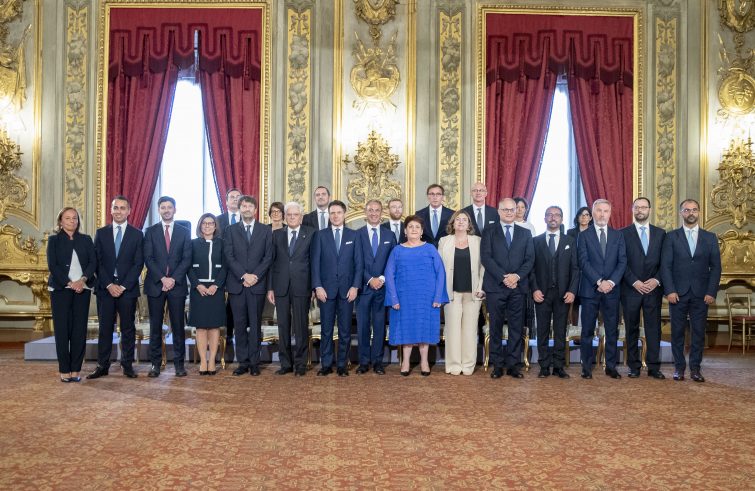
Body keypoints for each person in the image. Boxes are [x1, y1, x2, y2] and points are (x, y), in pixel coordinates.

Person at [661, 199, 721, 382]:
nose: (691, 213)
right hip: (677, 294)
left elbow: (716, 268)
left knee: (698, 333)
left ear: (699, 212)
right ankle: (679, 368)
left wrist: (711, 292)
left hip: (702, 294)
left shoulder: (710, 237)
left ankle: (695, 369)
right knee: (677, 333)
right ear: (681, 213)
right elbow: (665, 266)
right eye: (687, 210)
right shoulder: (671, 237)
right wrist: (670, 290)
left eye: (694, 210)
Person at [88, 196, 144, 380]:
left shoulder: (137, 234)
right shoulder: (101, 233)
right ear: (111, 210)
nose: (119, 211)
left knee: (128, 329)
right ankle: (102, 365)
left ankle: (127, 365)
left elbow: (138, 263)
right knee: (105, 329)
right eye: (116, 208)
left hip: (127, 290)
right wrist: (109, 284)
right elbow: (97, 262)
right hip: (105, 289)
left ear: (129, 211)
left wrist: (123, 286)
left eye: (122, 208)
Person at [384, 215, 448, 376]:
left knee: (424, 328)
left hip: (426, 298)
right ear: (405, 231)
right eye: (410, 227)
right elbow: (389, 275)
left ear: (422, 231)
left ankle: (424, 361)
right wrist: (393, 298)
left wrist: (438, 297)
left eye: (417, 227)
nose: (414, 229)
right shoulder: (397, 250)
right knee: (405, 328)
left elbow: (440, 273)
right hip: (403, 298)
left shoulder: (430, 249)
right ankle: (405, 361)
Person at [481, 198, 534, 379]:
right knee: (495, 327)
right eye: (506, 209)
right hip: (496, 286)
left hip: (518, 287)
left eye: (512, 209)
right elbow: (486, 258)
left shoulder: (525, 233)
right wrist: (504, 277)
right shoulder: (489, 231)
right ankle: (497, 365)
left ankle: (513, 365)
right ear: (499, 211)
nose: (510, 212)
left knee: (516, 328)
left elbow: (529, 259)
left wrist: (516, 276)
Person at [311, 200, 363, 376]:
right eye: (332, 213)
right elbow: (315, 263)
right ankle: (326, 365)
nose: (335, 216)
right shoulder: (320, 235)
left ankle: (342, 365)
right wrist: (318, 286)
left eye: (338, 212)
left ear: (344, 214)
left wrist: (355, 286)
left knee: (345, 331)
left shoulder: (354, 235)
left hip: (347, 291)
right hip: (325, 291)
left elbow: (359, 264)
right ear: (328, 215)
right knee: (326, 330)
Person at [577, 199, 626, 380]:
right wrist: (599, 281)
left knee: (612, 330)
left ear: (610, 213)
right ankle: (586, 367)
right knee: (587, 331)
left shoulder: (618, 235)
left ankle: (611, 367)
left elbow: (622, 261)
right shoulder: (583, 235)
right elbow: (583, 262)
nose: (602, 214)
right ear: (593, 213)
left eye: (606, 211)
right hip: (590, 290)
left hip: (612, 291)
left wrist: (610, 282)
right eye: (599, 210)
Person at [224, 195, 273, 376]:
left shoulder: (265, 230)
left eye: (250, 206)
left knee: (255, 325)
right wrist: (244, 275)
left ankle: (254, 363)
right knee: (239, 325)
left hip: (257, 285)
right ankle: (242, 363)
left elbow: (268, 257)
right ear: (239, 209)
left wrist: (255, 276)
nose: (246, 209)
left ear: (255, 210)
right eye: (243, 206)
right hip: (237, 285)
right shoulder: (229, 230)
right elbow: (228, 256)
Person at [143, 196, 192, 377]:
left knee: (178, 327)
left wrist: (172, 279)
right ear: (159, 210)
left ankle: (179, 365)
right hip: (156, 285)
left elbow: (187, 259)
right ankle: (155, 364)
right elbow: (148, 258)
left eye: (169, 207)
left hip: (177, 286)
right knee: (155, 327)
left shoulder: (184, 232)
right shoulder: (150, 231)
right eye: (163, 207)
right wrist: (163, 278)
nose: (166, 210)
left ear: (174, 209)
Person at [529, 206, 579, 379]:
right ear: (544, 218)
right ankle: (544, 366)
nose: (553, 217)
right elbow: (531, 269)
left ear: (562, 219)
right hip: (541, 294)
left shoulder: (570, 241)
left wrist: (572, 291)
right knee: (542, 330)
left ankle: (558, 366)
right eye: (549, 215)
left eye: (557, 215)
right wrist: (534, 289)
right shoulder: (535, 241)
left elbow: (575, 268)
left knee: (560, 331)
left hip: (563, 294)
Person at [47, 207, 95, 383]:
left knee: (79, 331)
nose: (72, 221)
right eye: (67, 218)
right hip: (61, 289)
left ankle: (75, 369)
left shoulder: (86, 239)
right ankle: (64, 370)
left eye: (75, 218)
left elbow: (93, 262)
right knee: (62, 330)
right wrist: (69, 283)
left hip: (83, 289)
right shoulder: (53, 240)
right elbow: (53, 265)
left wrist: (82, 280)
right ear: (60, 221)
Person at [620, 197, 666, 379]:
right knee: (631, 328)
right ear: (632, 210)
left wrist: (656, 280)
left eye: (644, 207)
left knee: (653, 329)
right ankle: (634, 366)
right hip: (631, 289)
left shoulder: (661, 234)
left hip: (653, 289)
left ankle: (654, 367)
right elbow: (621, 261)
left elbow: (666, 262)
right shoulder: (623, 234)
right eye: (637, 207)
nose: (640, 210)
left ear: (650, 210)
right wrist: (634, 281)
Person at [267, 201, 314, 376]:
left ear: (301, 217)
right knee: (283, 326)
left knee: (301, 326)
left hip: (302, 286)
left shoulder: (311, 233)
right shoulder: (276, 234)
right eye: (289, 215)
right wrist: (270, 288)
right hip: (280, 286)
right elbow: (271, 262)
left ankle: (301, 364)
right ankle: (285, 363)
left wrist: (314, 287)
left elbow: (314, 262)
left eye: (296, 215)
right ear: (285, 217)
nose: (292, 217)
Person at [438, 210, 485, 375]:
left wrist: (481, 288)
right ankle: (453, 365)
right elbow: (439, 268)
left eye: (464, 219)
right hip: (450, 292)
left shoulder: (477, 241)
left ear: (469, 224)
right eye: (457, 219)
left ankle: (468, 365)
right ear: (452, 223)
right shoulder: (444, 241)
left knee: (470, 331)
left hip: (473, 293)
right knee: (452, 330)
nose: (461, 222)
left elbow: (483, 267)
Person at [355, 200, 397, 375]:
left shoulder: (390, 235)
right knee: (363, 327)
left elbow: (393, 262)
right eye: (370, 210)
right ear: (365, 212)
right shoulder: (357, 234)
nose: (373, 213)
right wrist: (369, 279)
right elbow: (355, 262)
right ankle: (364, 362)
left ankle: (378, 362)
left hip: (382, 288)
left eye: (377, 210)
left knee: (379, 326)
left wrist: (381, 279)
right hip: (363, 289)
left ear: (382, 213)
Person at [187, 214, 227, 376]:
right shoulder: (192, 244)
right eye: (204, 223)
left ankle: (212, 361)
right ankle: (203, 361)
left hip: (216, 290)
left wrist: (216, 285)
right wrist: (198, 285)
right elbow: (188, 266)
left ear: (215, 226)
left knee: (214, 327)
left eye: (211, 223)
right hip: (199, 290)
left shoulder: (222, 244)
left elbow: (225, 267)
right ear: (200, 226)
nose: (207, 226)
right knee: (201, 327)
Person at [216, 188, 242, 362]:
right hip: (221, 269)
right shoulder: (217, 220)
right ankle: (223, 337)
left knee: (235, 306)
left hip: (240, 271)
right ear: (226, 201)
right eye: (231, 197)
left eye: (237, 197)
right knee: (221, 306)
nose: (234, 199)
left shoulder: (247, 219)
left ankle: (234, 336)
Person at [566, 206, 593, 326]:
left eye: (587, 215)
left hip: (589, 270)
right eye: (581, 215)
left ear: (590, 218)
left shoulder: (594, 232)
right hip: (574, 269)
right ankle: (574, 329)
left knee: (589, 302)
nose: (584, 217)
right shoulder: (570, 232)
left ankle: (590, 329)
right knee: (574, 301)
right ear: (577, 218)